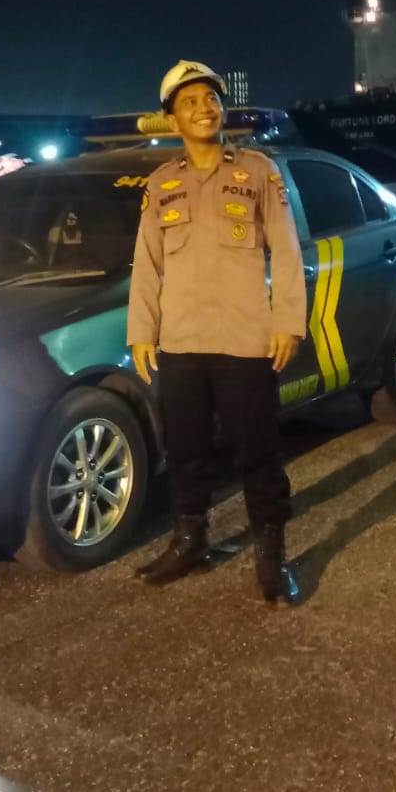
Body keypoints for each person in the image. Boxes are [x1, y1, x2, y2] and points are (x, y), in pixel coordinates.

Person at [127, 60, 307, 604]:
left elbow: (287, 249)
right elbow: (147, 263)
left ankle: (271, 554)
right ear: (172, 119)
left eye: (211, 99)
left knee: (257, 452)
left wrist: (288, 322)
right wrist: (142, 331)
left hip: (245, 341)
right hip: (181, 342)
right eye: (190, 102)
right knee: (185, 450)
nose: (204, 108)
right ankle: (190, 541)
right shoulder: (161, 183)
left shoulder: (257, 171)